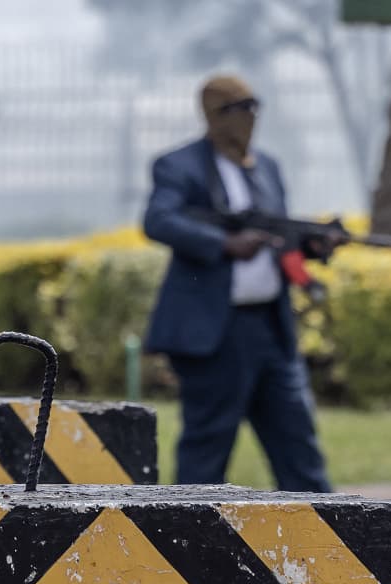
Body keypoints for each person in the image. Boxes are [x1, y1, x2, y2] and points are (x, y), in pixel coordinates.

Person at [143, 74, 336, 493]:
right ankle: (188, 543)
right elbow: (159, 220)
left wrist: (311, 246)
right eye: (236, 109)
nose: (248, 118)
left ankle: (329, 546)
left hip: (270, 326)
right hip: (214, 331)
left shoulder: (266, 167)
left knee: (298, 445)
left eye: (252, 107)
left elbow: (278, 238)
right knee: (207, 451)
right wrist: (225, 243)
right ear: (213, 115)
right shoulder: (180, 166)